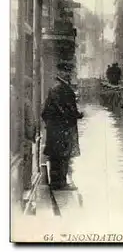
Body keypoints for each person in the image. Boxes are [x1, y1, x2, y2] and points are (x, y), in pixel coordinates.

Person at [42, 62, 83, 191]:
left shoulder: (59, 87)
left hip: (57, 127)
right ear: (59, 72)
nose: (68, 74)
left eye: (69, 72)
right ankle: (60, 183)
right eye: (66, 71)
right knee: (62, 155)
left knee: (58, 154)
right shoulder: (60, 88)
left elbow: (47, 112)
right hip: (61, 128)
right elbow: (63, 110)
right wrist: (77, 115)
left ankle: (58, 182)